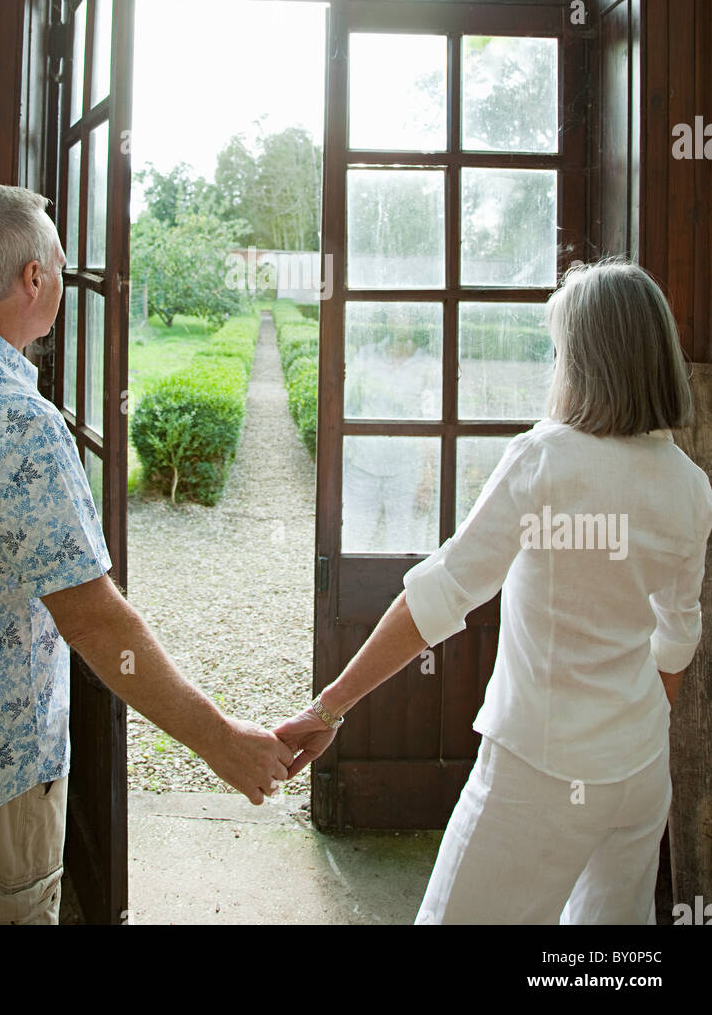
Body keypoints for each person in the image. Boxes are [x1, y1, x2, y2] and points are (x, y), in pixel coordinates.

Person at [0, 184, 293, 925]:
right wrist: (220, 740)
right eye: (58, 262)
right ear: (33, 279)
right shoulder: (20, 421)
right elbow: (93, 622)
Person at [275, 260, 712, 925]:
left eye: (560, 349)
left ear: (586, 359)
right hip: (641, 770)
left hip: (539, 769)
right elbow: (677, 636)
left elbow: (440, 598)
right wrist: (633, 730)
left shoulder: (546, 459)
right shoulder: (689, 484)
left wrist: (329, 709)